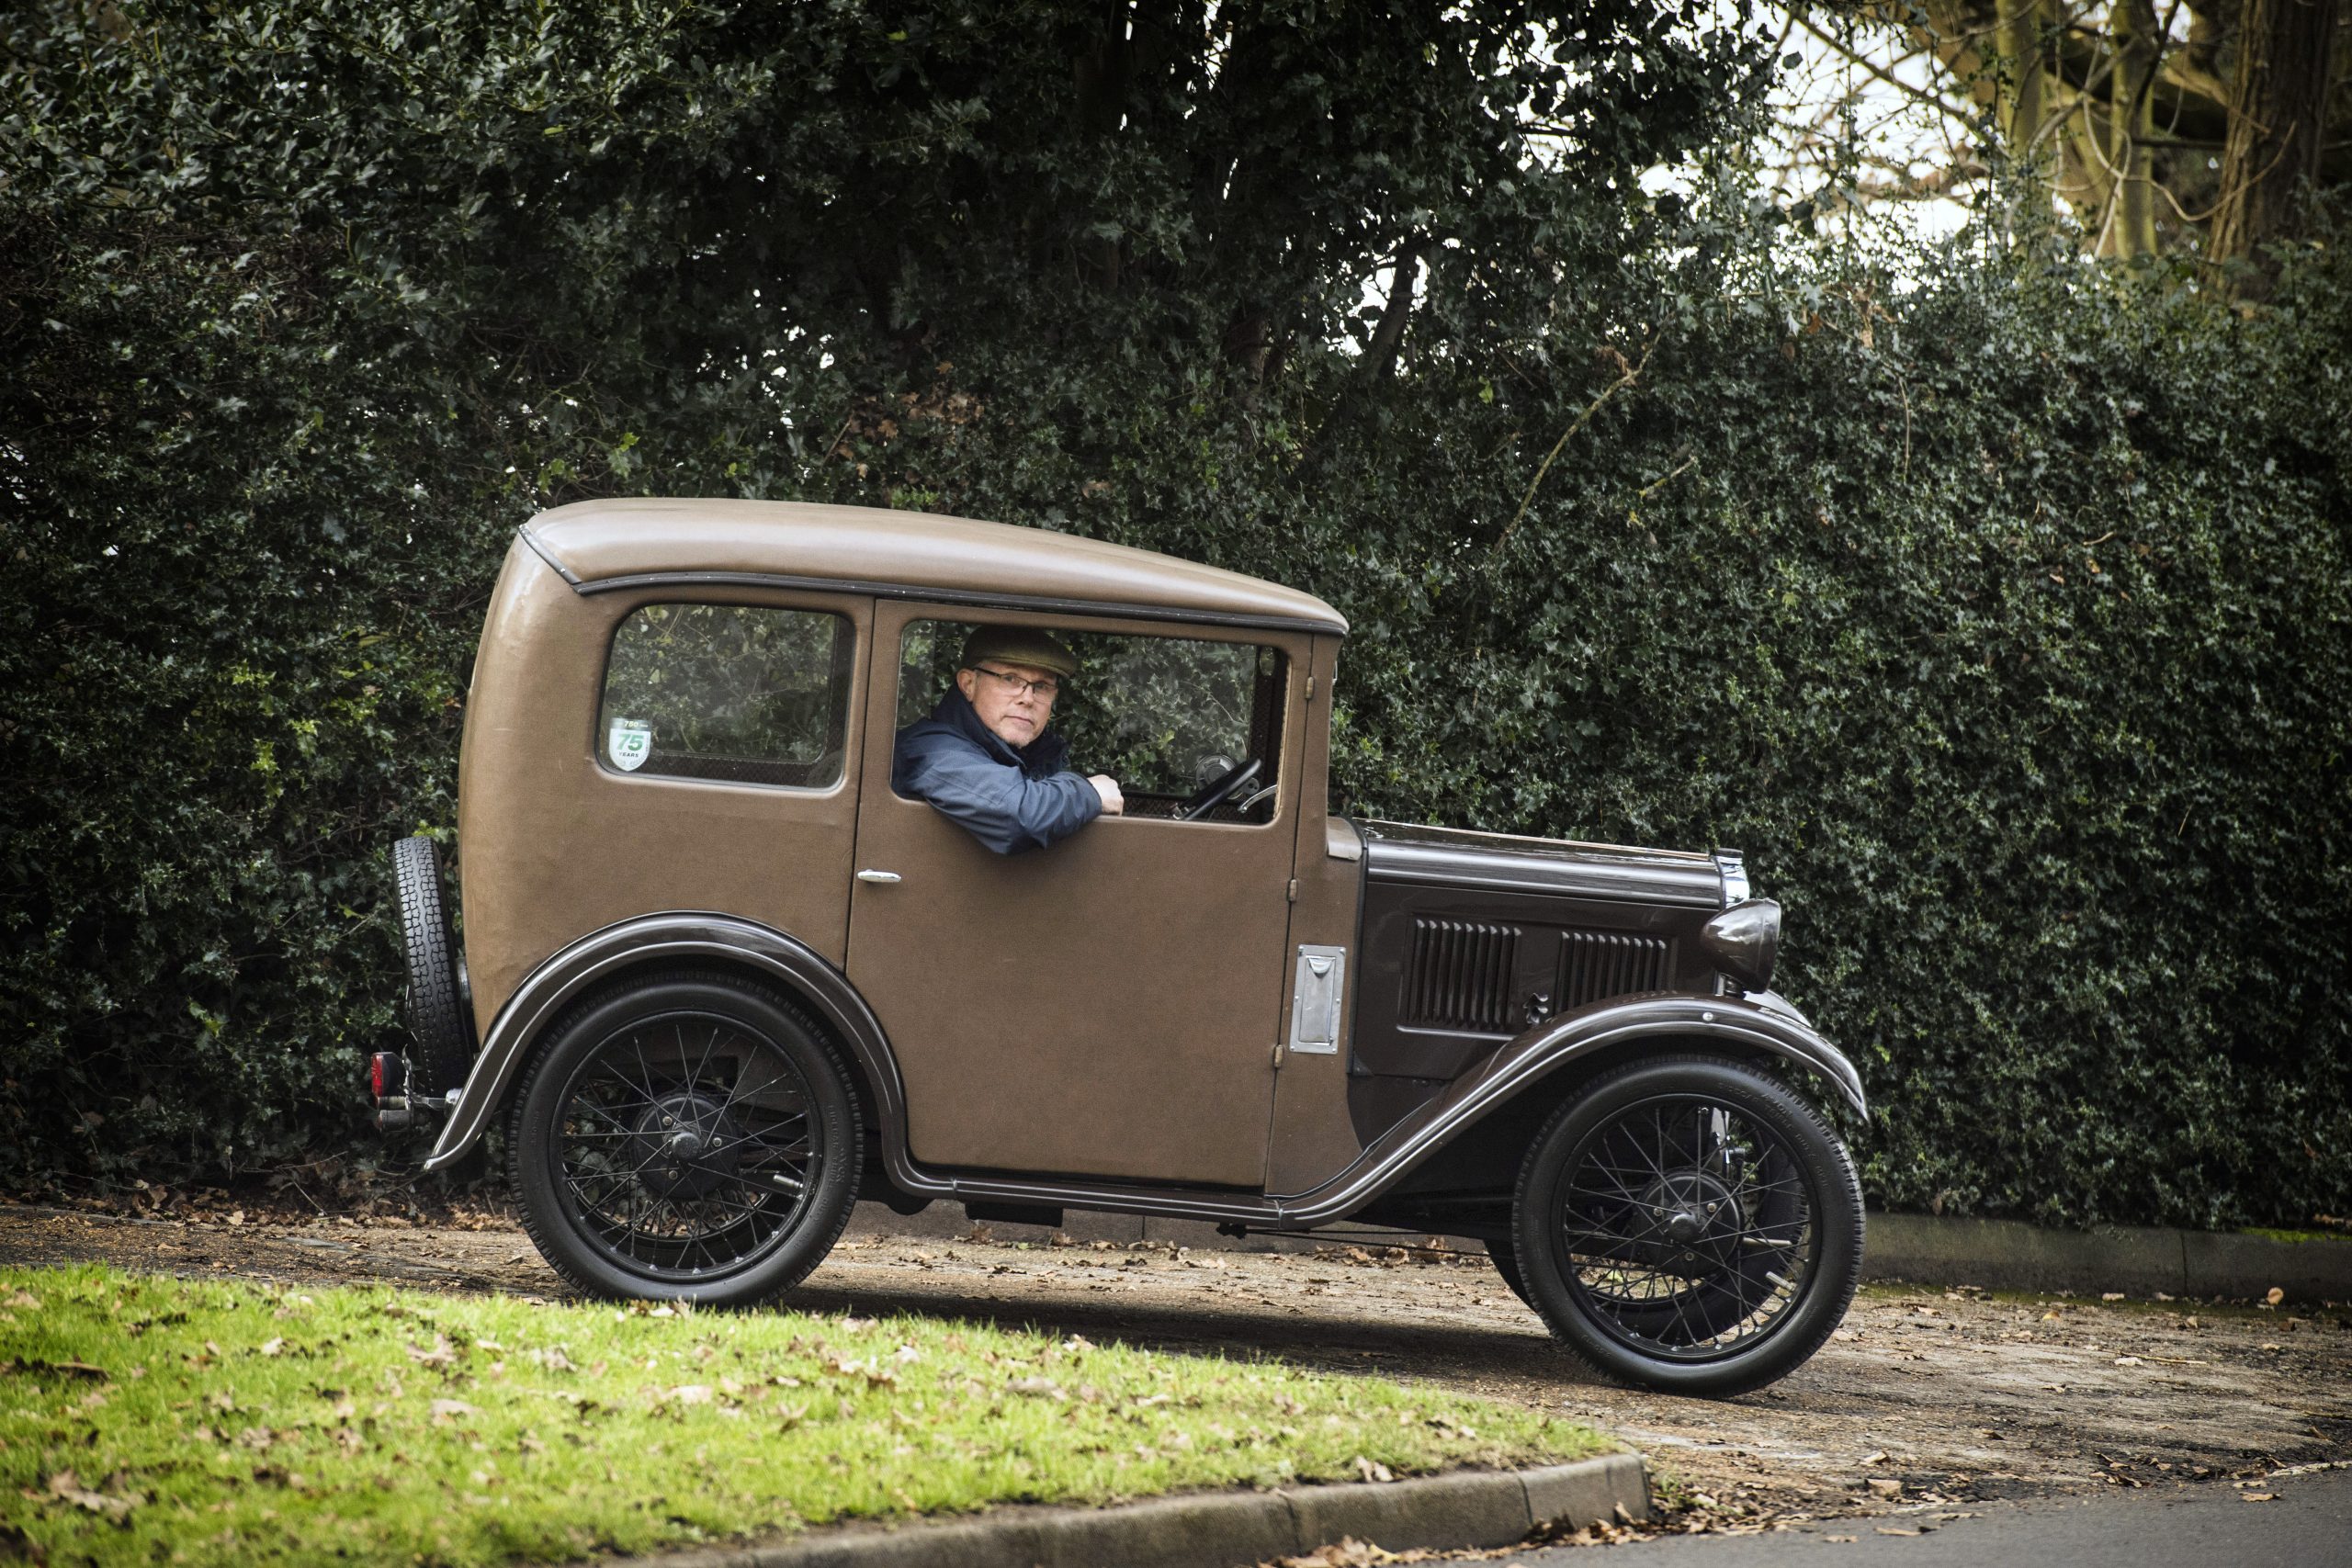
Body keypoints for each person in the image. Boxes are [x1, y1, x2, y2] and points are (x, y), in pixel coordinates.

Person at [891, 626, 1124, 854]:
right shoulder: (930, 749)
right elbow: (1017, 814)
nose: (1028, 698)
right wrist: (1089, 793)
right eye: (1010, 679)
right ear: (968, 685)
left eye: (1041, 686)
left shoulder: (1032, 755)